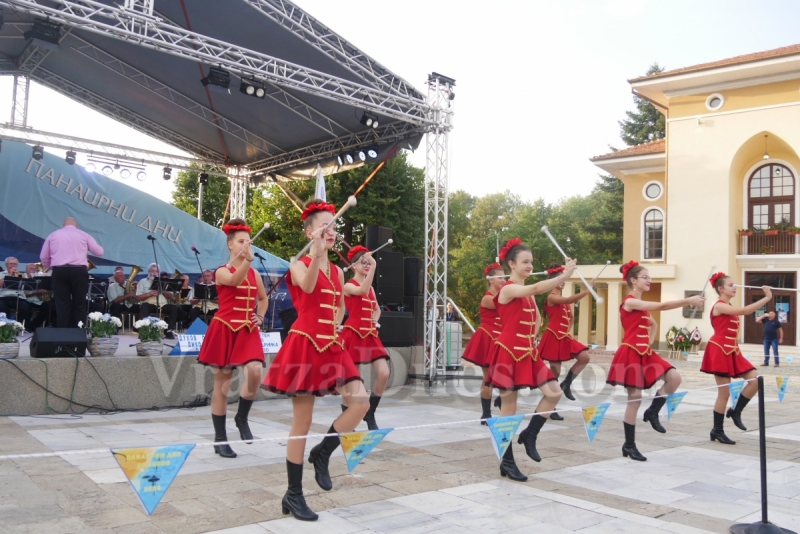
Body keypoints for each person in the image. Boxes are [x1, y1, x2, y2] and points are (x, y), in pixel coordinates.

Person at [262, 199, 368, 522]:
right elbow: (307, 287)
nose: (331, 231)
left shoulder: (336, 271)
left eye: (334, 226)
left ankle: (322, 452)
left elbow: (339, 305)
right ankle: (293, 494)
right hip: (304, 344)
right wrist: (317, 255)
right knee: (302, 422)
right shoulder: (297, 264)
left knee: (360, 403)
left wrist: (336, 323)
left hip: (331, 344)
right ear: (310, 232)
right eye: (325, 226)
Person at [485, 238, 577, 481]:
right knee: (509, 408)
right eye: (525, 262)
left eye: (531, 262)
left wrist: (532, 338)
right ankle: (507, 461)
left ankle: (530, 434)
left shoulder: (528, 294)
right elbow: (535, 289)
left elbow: (536, 319)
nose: (529, 265)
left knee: (554, 392)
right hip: (507, 353)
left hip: (528, 352)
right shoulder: (508, 289)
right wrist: (562, 276)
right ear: (512, 264)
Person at [607, 261, 705, 462]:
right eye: (645, 277)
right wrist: (688, 300)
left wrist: (649, 341)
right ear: (633, 280)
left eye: (649, 277)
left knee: (674, 378)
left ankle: (653, 411)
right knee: (634, 398)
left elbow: (654, 324)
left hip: (645, 352)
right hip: (630, 352)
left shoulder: (642, 307)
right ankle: (629, 445)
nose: (649, 280)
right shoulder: (630, 302)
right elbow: (662, 306)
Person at [196, 219, 268, 461]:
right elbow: (235, 281)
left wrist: (260, 316)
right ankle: (220, 439)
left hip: (247, 329)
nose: (246, 245)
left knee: (255, 371)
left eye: (248, 241)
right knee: (223, 385)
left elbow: (263, 299)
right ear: (230, 244)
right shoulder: (222, 271)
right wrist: (247, 261)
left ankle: (242, 417)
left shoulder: (255, 273)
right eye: (241, 241)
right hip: (224, 329)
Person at [702, 272, 769, 444]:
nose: (735, 287)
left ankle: (736, 411)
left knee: (756, 380)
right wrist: (767, 297)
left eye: (735, 284)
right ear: (721, 288)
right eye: (731, 285)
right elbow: (745, 311)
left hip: (732, 350)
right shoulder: (719, 306)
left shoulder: (728, 305)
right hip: (719, 349)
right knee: (724, 393)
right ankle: (717, 430)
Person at [341, 245, 390, 430]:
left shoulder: (370, 289)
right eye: (364, 262)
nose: (367, 265)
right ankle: (348, 418)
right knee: (353, 379)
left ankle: (370, 413)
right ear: (353, 266)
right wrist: (375, 266)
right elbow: (361, 290)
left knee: (384, 373)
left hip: (370, 334)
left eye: (369, 263)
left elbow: (376, 309)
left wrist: (374, 322)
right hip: (353, 333)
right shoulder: (348, 286)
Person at [538, 264, 594, 421]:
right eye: (560, 279)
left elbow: (571, 318)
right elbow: (569, 299)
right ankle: (551, 407)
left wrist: (567, 330)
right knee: (554, 372)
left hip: (563, 336)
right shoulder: (552, 297)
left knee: (584, 357)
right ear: (553, 281)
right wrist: (586, 290)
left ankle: (566, 384)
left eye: (563, 279)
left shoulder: (563, 302)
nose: (563, 282)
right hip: (553, 336)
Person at [39, 217, 104, 328]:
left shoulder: (53, 235)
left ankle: (62, 332)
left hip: (59, 271)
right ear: (76, 226)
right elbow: (99, 252)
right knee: (80, 303)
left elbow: (43, 257)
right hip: (79, 271)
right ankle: (79, 331)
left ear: (63, 225)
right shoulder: (84, 235)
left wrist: (52, 266)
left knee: (62, 304)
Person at [461, 262, 505, 424]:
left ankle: (502, 399)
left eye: (505, 278)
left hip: (501, 340)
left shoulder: (504, 295)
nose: (504, 280)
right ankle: (486, 414)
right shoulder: (487, 298)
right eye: (500, 278)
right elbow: (503, 303)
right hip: (488, 338)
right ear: (491, 280)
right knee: (489, 377)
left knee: (506, 374)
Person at [136, 263, 178, 339]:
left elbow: (171, 297)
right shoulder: (142, 281)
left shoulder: (165, 282)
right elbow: (138, 297)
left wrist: (163, 291)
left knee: (174, 308)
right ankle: (143, 331)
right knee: (144, 306)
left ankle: (169, 331)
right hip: (150, 304)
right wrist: (149, 294)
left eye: (156, 271)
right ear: (149, 272)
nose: (154, 273)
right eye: (152, 271)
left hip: (163, 305)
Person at [0, 257, 32, 330]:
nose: (13, 265)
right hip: (3, 297)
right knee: (2, 307)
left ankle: (18, 326)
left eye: (15, 264)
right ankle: (5, 327)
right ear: (6, 265)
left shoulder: (22, 275)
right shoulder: (1, 274)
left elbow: (28, 290)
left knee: (25, 308)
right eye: (11, 264)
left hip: (19, 297)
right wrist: (9, 275)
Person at [24, 262, 52, 331]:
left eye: (35, 269)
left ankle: (35, 325)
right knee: (24, 308)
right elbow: (24, 294)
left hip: (39, 301)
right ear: (26, 270)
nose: (34, 270)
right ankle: (27, 327)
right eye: (31, 269)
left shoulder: (42, 278)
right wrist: (37, 292)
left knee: (49, 306)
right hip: (27, 300)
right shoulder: (23, 277)